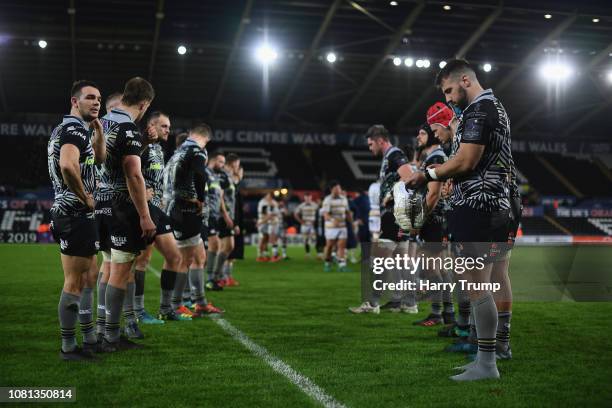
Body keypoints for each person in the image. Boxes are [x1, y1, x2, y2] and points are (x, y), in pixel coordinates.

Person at [407, 59, 514, 381]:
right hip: (498, 205)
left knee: (476, 285)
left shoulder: (480, 110)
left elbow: (466, 161)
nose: (450, 98)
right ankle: (495, 351)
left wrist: (427, 175)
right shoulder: (495, 106)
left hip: (479, 207)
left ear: (465, 80)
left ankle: (486, 363)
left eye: (450, 90)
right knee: (494, 279)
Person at [97, 77, 156, 352]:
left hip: (100, 203)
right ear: (144, 104)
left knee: (107, 267)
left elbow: (111, 159)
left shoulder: (103, 121)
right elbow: (133, 173)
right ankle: (112, 336)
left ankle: (101, 327)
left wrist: (141, 143)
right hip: (121, 206)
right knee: (120, 272)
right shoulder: (128, 127)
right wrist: (145, 215)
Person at [49, 80, 105, 360]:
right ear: (75, 101)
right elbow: (67, 164)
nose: (97, 102)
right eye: (90, 98)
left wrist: (98, 132)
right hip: (74, 213)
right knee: (74, 281)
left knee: (89, 275)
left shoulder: (79, 130)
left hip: (79, 214)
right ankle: (69, 347)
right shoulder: (72, 129)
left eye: (99, 99)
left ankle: (89, 336)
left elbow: (99, 158)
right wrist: (86, 197)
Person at [349, 125, 414, 314]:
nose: (370, 148)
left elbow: (409, 177)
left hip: (393, 214)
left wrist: (392, 195)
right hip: (399, 214)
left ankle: (372, 303)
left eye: (371, 144)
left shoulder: (394, 155)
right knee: (401, 260)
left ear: (380, 140)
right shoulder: (390, 157)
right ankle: (409, 303)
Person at [163, 124, 223, 317]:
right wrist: (200, 200)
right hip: (185, 210)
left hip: (176, 207)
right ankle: (176, 304)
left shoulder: (178, 151)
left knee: (199, 258)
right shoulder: (198, 150)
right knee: (185, 259)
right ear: (206, 138)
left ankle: (201, 303)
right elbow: (200, 173)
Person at [130, 112, 181, 326]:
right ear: (151, 126)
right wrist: (143, 194)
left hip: (158, 210)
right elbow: (127, 170)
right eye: (164, 126)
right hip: (144, 209)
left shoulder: (159, 148)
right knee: (142, 261)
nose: (168, 129)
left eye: (169, 126)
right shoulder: (141, 145)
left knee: (175, 257)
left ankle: (165, 309)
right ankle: (138, 311)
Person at [210, 153, 240, 283]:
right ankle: (215, 276)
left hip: (227, 215)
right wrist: (226, 215)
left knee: (225, 246)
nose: (237, 167)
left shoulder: (228, 177)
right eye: (237, 164)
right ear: (232, 163)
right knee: (225, 246)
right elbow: (220, 196)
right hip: (222, 215)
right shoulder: (222, 175)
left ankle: (217, 276)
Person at [321, 181, 352, 272]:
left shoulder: (344, 198)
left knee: (341, 245)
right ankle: (327, 263)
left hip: (342, 225)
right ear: (332, 189)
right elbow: (325, 214)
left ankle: (342, 265)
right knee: (329, 246)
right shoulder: (327, 200)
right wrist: (333, 220)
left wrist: (351, 222)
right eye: (337, 189)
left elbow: (347, 212)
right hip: (331, 227)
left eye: (339, 188)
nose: (339, 190)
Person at [204, 152, 224, 288]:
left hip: (215, 215)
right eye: (221, 162)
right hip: (208, 215)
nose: (222, 165)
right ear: (213, 160)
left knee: (211, 247)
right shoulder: (205, 173)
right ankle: (210, 279)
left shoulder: (215, 176)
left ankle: (209, 279)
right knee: (214, 245)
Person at [294, 193, 318, 258]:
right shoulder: (301, 206)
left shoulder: (315, 205)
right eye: (306, 197)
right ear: (304, 198)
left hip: (313, 225)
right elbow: (295, 214)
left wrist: (316, 221)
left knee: (315, 239)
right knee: (306, 239)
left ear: (311, 197)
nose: (307, 198)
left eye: (309, 197)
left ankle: (319, 253)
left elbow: (318, 214)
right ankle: (307, 253)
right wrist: (300, 221)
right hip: (305, 225)